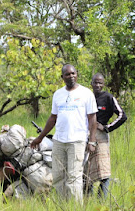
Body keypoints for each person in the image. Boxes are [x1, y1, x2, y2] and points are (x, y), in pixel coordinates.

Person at [30, 64, 98, 201]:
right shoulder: (58, 94)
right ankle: (62, 205)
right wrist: (40, 138)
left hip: (77, 140)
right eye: (67, 74)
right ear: (62, 77)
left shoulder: (86, 93)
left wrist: (91, 140)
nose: (71, 76)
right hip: (59, 140)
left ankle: (74, 206)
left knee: (74, 176)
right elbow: (53, 118)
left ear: (76, 74)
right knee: (58, 175)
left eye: (73, 73)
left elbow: (92, 119)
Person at [83, 73, 127, 198]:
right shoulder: (85, 96)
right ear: (91, 83)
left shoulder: (108, 97)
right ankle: (87, 198)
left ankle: (102, 199)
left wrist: (107, 128)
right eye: (95, 82)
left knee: (103, 170)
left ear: (103, 84)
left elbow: (122, 116)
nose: (97, 85)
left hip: (101, 137)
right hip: (84, 135)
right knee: (85, 169)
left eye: (100, 83)